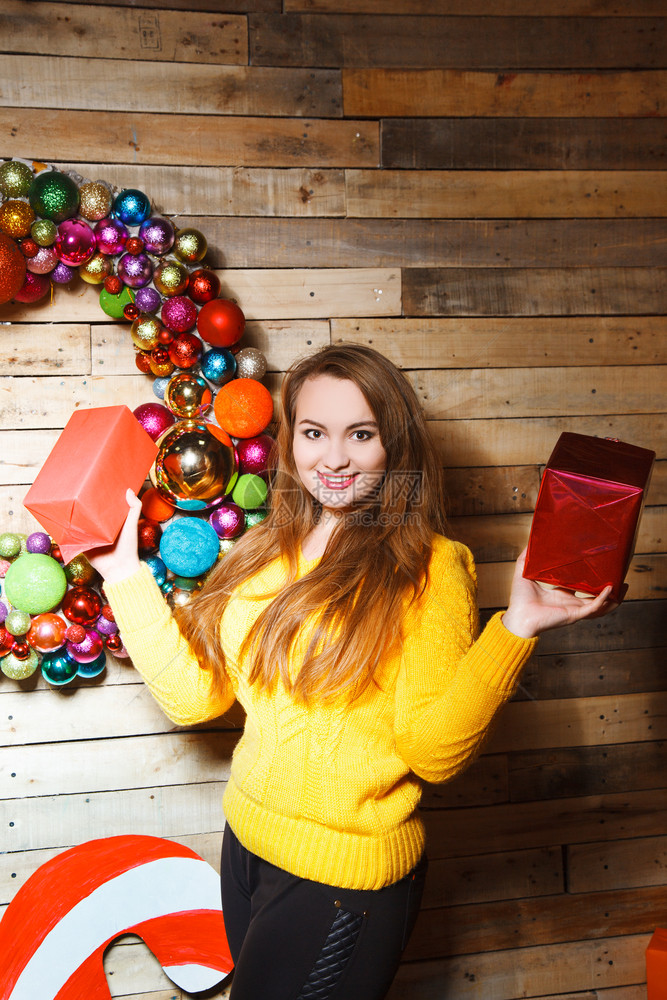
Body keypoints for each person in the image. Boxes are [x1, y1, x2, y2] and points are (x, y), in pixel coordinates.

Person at [87, 344, 616, 1000]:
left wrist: (513, 630)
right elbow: (196, 699)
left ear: (392, 444)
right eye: (313, 433)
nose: (333, 459)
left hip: (343, 878)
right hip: (247, 845)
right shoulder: (263, 550)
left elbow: (432, 754)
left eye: (359, 434)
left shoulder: (428, 568)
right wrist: (122, 576)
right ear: (288, 440)